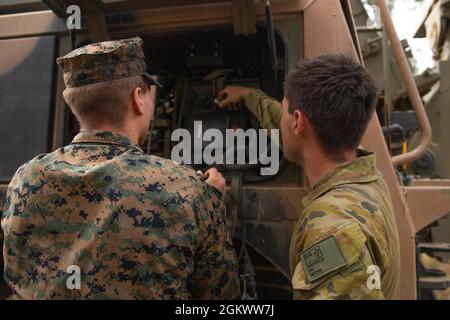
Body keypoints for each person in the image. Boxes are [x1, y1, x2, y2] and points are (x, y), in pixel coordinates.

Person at [1, 37, 239, 300]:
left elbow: (16, 276)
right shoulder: (188, 189)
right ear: (138, 98)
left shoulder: (26, 178)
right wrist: (212, 200)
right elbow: (222, 295)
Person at [217, 54, 400, 300]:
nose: (282, 119)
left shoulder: (332, 227)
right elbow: (294, 132)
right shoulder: (368, 177)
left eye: (285, 112)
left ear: (298, 122)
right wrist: (250, 96)